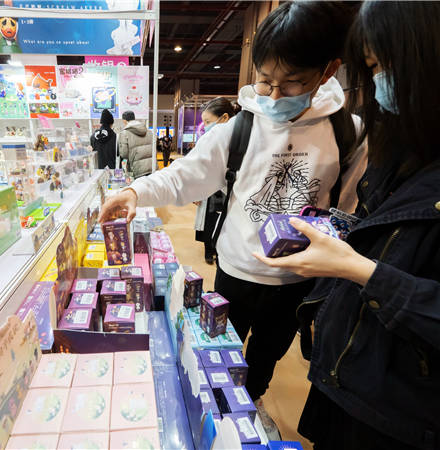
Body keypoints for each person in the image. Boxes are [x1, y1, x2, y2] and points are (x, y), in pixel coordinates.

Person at [98, 1, 365, 438]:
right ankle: (215, 414)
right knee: (218, 344)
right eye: (265, 81)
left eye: (292, 83)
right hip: (236, 270)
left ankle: (251, 403)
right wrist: (135, 192)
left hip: (297, 281)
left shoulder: (348, 132)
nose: (274, 96)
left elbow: (349, 210)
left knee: (267, 354)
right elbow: (184, 176)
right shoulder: (238, 129)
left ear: (328, 71)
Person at [255, 2, 440, 449]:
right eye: (373, 67)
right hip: (346, 376)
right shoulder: (403, 146)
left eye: (383, 65)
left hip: (399, 409)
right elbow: (373, 227)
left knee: (264, 349)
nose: (380, 82)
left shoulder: (348, 132)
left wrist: (354, 268)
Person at [194, 98, 240, 264]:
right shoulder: (207, 140)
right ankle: (209, 250)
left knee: (226, 224)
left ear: (225, 118)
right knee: (209, 221)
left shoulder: (241, 141)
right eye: (204, 122)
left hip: (232, 193)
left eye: (208, 122)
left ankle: (219, 251)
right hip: (211, 191)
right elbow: (198, 168)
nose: (205, 126)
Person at [118, 111, 153, 178]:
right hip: (151, 167)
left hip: (137, 169)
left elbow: (124, 154)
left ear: (124, 120)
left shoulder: (124, 133)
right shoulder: (149, 132)